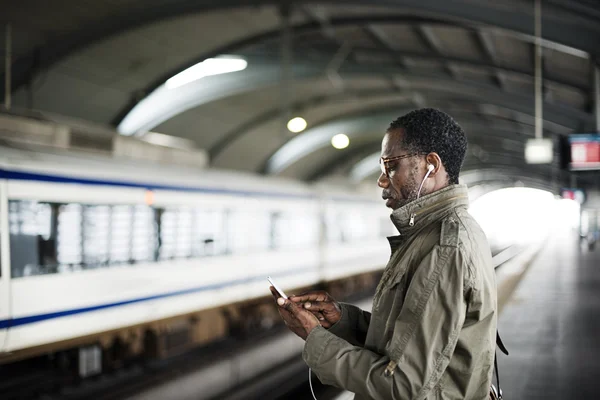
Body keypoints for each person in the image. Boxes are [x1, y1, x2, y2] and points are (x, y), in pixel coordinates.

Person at [272, 108, 497, 399]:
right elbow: (406, 338)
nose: (381, 180)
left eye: (391, 166)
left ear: (431, 164)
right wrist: (341, 321)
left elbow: (402, 385)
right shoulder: (431, 235)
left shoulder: (444, 248)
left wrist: (314, 338)